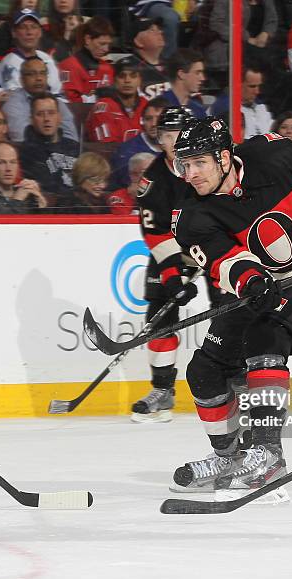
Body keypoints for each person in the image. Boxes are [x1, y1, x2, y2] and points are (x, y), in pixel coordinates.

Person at [168, 117, 292, 497]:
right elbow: (224, 261)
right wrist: (250, 280)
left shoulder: (275, 154)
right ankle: (231, 456)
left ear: (224, 157)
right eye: (184, 164)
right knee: (205, 369)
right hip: (262, 288)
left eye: (199, 163)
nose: (189, 174)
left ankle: (268, 453)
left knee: (266, 338)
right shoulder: (190, 215)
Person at [131, 106, 199, 423]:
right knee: (159, 315)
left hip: (217, 247)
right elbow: (155, 233)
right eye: (166, 135)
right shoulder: (153, 180)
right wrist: (172, 275)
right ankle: (162, 390)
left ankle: (237, 383)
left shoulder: (212, 165)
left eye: (178, 134)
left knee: (234, 309)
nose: (172, 141)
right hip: (171, 250)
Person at [18, 92, 79, 200]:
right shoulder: (26, 151)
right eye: (40, 114)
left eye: (51, 113)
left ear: (59, 117)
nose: (46, 118)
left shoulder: (74, 147)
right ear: (31, 119)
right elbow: (45, 186)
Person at [2, 56, 78, 142]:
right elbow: (22, 138)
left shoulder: (56, 102)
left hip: (58, 152)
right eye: (32, 74)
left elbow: (71, 137)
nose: (39, 78)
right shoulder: (13, 105)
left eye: (42, 73)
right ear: (21, 80)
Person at [0, 8, 62, 95]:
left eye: (33, 27)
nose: (29, 32)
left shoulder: (47, 59)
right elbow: (17, 99)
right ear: (14, 32)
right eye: (23, 27)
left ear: (40, 32)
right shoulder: (9, 62)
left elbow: (58, 92)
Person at [86, 56, 148, 143]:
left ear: (140, 80)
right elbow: (107, 148)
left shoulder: (146, 105)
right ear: (114, 80)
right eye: (122, 76)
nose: (127, 80)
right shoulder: (103, 108)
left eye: (133, 76)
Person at [110, 96, 166, 188]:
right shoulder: (127, 152)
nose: (153, 124)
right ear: (142, 121)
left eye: (159, 119)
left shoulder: (180, 148)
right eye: (148, 119)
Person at [58, 16, 114, 103]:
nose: (106, 49)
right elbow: (71, 103)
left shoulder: (107, 68)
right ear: (88, 39)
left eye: (108, 44)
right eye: (102, 44)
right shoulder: (69, 66)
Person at [0, 141, 47, 213]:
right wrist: (17, 200)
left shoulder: (26, 193)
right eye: (1, 162)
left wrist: (41, 204)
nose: (8, 168)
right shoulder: (21, 195)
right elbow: (3, 223)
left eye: (13, 162)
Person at [130, 17, 170, 100]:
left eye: (159, 29)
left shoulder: (173, 64)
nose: (160, 32)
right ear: (138, 42)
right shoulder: (129, 68)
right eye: (152, 30)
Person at [162, 49, 206, 119]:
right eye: (197, 73)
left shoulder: (198, 110)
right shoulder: (160, 107)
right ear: (181, 74)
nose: (203, 78)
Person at [241, 64, 273, 139]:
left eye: (259, 86)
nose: (257, 92)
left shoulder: (262, 108)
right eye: (252, 86)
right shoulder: (228, 110)